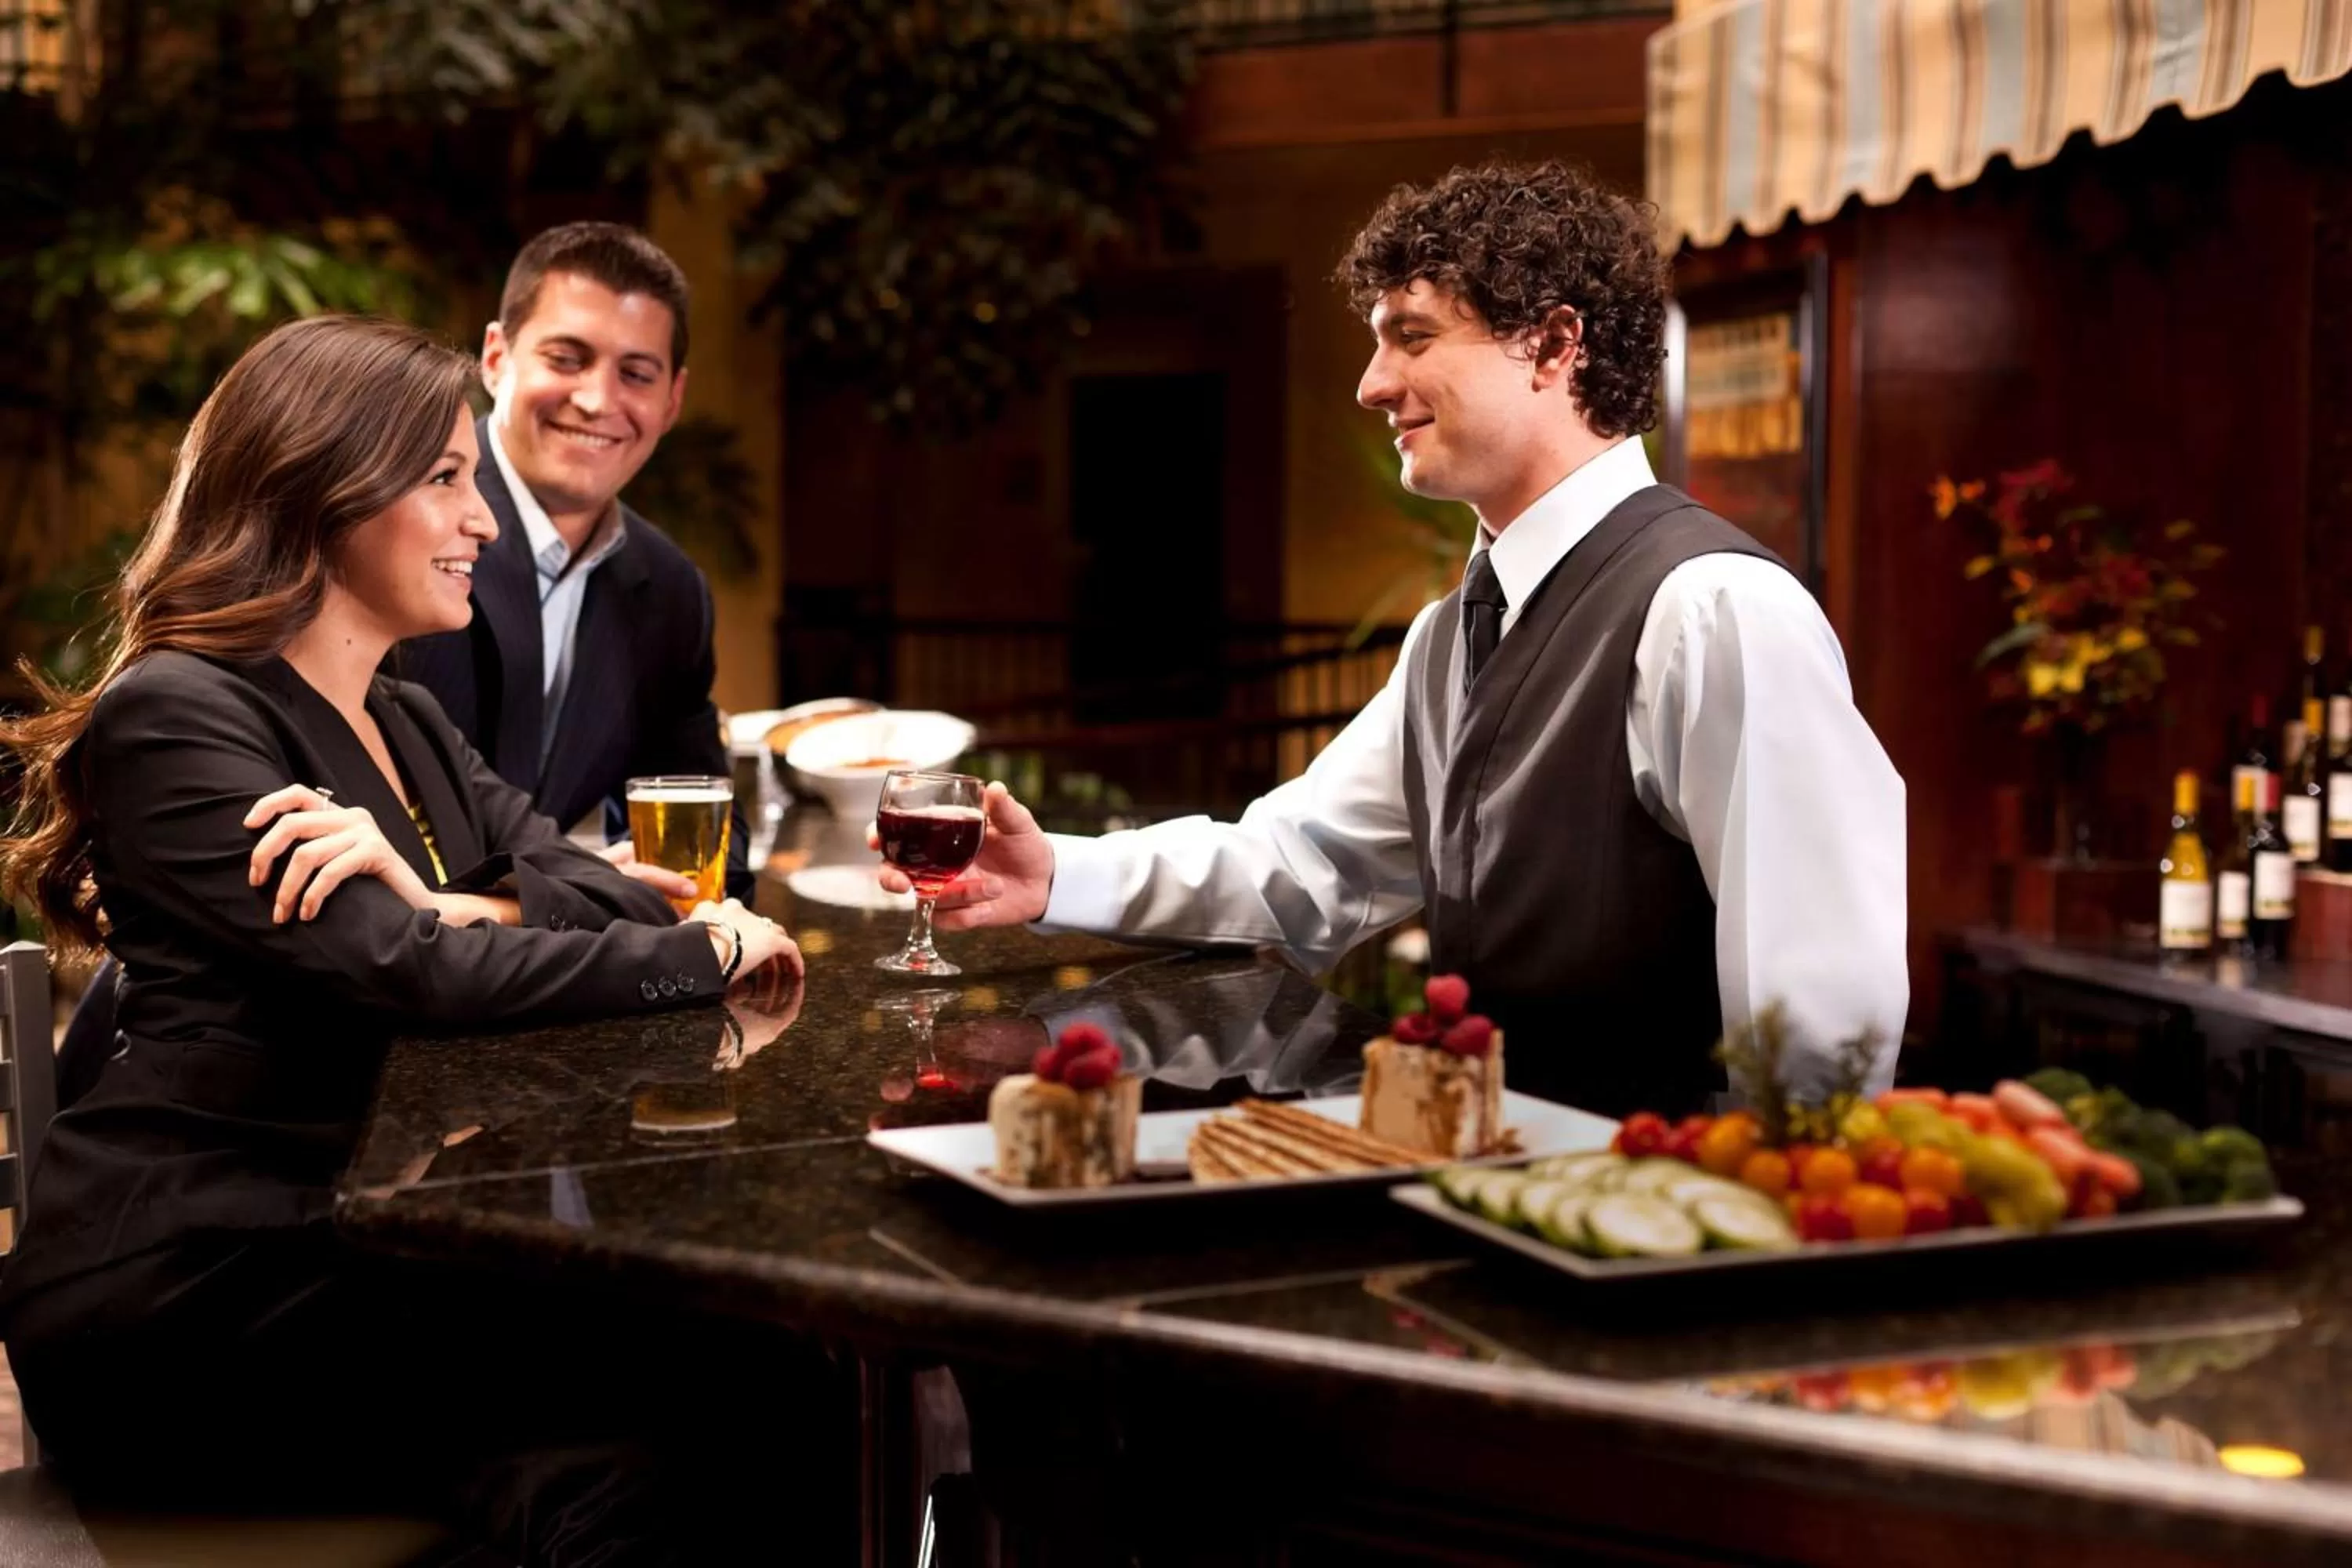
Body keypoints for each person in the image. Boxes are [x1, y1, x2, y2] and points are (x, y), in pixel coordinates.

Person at [0, 316, 812, 1562]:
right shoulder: (177, 712)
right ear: (319, 487)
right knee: (650, 1440)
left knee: (756, 1355)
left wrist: (454, 902)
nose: (483, 520)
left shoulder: (406, 717)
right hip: (197, 1280)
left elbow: (591, 881)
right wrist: (701, 957)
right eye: (444, 479)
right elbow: (406, 973)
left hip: (365, 1229)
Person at [883, 160, 1908, 1114]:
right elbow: (1305, 861)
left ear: (1554, 345)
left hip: (1656, 1232)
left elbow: (1823, 1018)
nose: (1373, 383)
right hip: (1488, 1193)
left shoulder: (1714, 610)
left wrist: (1754, 1244)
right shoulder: (1449, 636)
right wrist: (1055, 874)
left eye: (1412, 337)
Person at [398, 220, 753, 903]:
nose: (597, 399)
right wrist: (584, 885)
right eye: (567, 359)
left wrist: (650, 891)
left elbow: (706, 823)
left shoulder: (671, 590)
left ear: (673, 399)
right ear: (496, 358)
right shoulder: (398, 517)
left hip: (547, 972)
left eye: (636, 374)